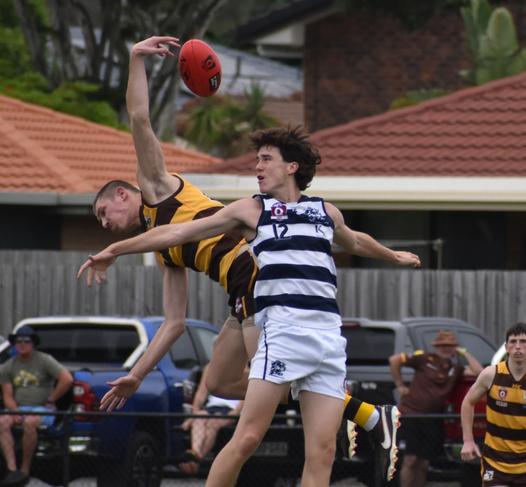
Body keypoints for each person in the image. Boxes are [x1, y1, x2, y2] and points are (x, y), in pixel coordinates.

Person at [83, 36, 407, 483]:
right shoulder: (163, 249)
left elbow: (140, 118)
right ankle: (357, 411)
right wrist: (136, 375)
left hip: (260, 281)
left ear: (123, 194)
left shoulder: (158, 190)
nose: (105, 222)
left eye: (104, 212)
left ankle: (356, 414)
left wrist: (135, 58)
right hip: (241, 296)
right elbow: (174, 323)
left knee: (254, 424)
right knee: (218, 383)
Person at [460, 322, 526, 486]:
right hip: (494, 461)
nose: (518, 347)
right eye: (513, 342)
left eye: (523, 342)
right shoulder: (491, 374)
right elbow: (468, 402)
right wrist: (468, 440)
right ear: (506, 347)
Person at [389, 330, 483, 487]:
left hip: (432, 418)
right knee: (410, 460)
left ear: (455, 348)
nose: (446, 349)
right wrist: (399, 385)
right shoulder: (424, 358)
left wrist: (465, 352)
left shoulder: (456, 369)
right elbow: (394, 360)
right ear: (436, 347)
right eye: (442, 346)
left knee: (424, 462)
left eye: (450, 346)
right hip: (411, 415)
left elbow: (479, 372)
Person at [0, 327, 73, 484]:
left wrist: (52, 398)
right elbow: (7, 395)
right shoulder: (8, 366)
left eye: (26, 341)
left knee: (29, 422)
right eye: (18, 341)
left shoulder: (44, 360)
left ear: (33, 343)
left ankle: (25, 469)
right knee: (2, 422)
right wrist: (15, 411)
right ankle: (12, 469)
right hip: (19, 408)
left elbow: (67, 379)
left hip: (43, 410)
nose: (22, 344)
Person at [179, 362, 243, 476]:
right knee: (200, 418)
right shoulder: (211, 367)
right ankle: (196, 454)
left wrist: (236, 412)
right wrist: (194, 414)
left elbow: (246, 395)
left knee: (212, 424)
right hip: (211, 407)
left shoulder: (244, 368)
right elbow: (201, 394)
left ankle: (193, 458)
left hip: (230, 409)